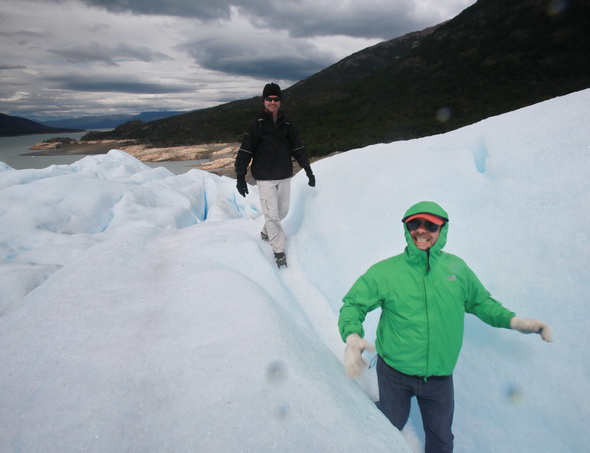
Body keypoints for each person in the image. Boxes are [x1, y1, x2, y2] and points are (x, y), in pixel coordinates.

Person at [338, 200, 552, 453]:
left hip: (439, 378)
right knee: (390, 421)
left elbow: (481, 303)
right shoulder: (386, 272)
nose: (422, 230)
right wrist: (352, 337)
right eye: (415, 224)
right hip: (395, 372)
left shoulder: (457, 270)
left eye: (430, 224)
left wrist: (514, 321)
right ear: (406, 229)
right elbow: (353, 304)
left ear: (443, 230)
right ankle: (375, 411)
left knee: (441, 439)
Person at [234, 83, 315, 268]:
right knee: (272, 215)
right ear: (264, 101)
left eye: (276, 99)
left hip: (284, 174)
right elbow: (246, 150)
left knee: (282, 211)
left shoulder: (287, 124)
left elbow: (298, 149)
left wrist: (308, 170)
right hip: (264, 177)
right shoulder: (257, 124)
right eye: (269, 99)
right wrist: (240, 176)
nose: (272, 102)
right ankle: (279, 250)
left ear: (280, 101)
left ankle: (266, 232)